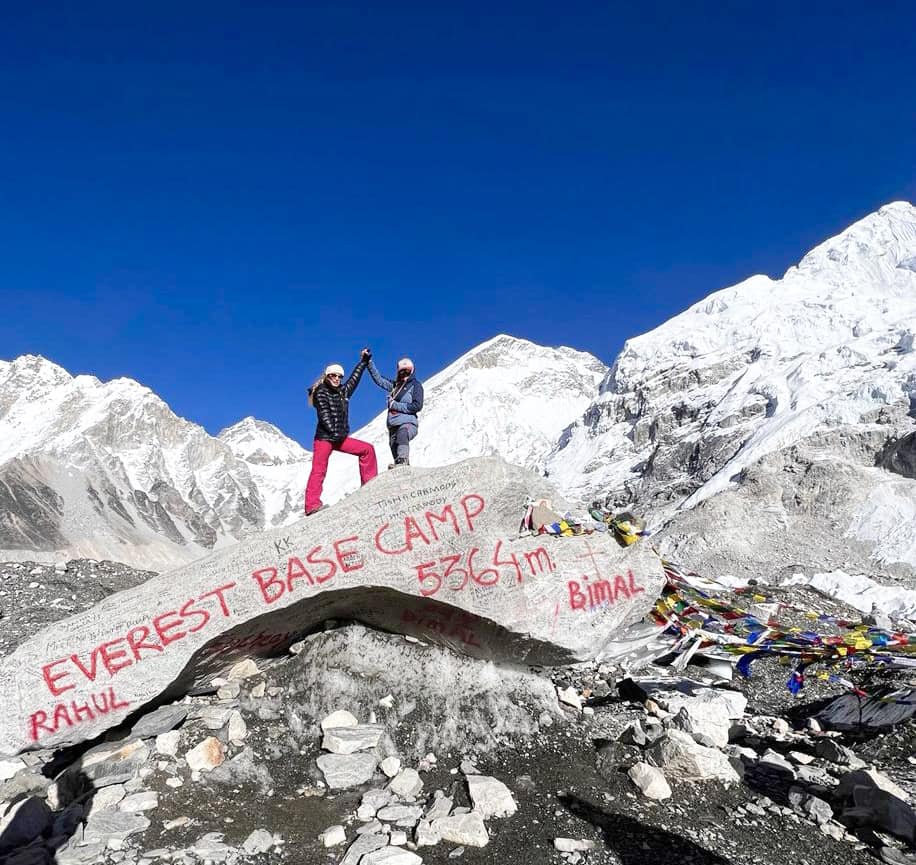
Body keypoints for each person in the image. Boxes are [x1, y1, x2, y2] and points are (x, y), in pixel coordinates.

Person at [304, 352, 377, 515]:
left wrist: (363, 362)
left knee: (367, 450)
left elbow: (354, 379)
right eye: (333, 375)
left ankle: (371, 486)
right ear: (327, 376)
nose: (337, 378)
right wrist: (335, 432)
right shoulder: (320, 391)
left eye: (339, 376)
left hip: (339, 437)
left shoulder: (343, 392)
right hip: (324, 438)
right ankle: (311, 506)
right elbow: (324, 414)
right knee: (319, 469)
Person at [366, 349, 424, 468]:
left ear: (412, 371)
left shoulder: (416, 385)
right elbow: (379, 380)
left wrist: (395, 405)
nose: (404, 374)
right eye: (402, 371)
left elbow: (417, 406)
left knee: (402, 435)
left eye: (407, 371)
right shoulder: (395, 386)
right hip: (393, 426)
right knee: (395, 450)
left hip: (408, 424)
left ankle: (403, 461)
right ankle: (402, 468)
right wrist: (369, 362)